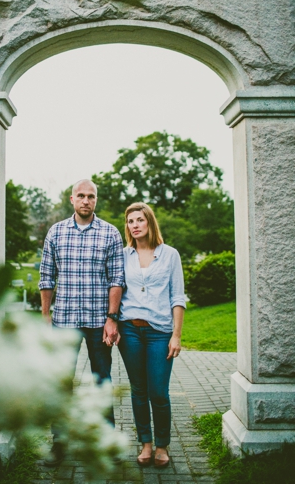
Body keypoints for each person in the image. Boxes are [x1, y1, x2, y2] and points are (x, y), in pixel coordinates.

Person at [39, 179, 125, 462]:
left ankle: (105, 439)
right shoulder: (56, 232)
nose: (86, 201)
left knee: (102, 380)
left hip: (99, 321)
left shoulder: (110, 233)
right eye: (81, 196)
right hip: (64, 320)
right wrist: (45, 316)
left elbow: (116, 280)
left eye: (91, 196)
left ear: (95, 200)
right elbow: (46, 277)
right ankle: (60, 442)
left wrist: (112, 318)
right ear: (72, 199)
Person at [116, 202, 186, 469]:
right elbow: (115, 288)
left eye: (140, 220)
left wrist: (176, 335)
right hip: (130, 330)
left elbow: (177, 297)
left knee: (158, 391)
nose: (135, 225)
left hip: (160, 332)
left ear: (150, 223)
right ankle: (145, 443)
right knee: (138, 389)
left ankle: (162, 445)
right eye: (130, 221)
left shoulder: (170, 255)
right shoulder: (123, 255)